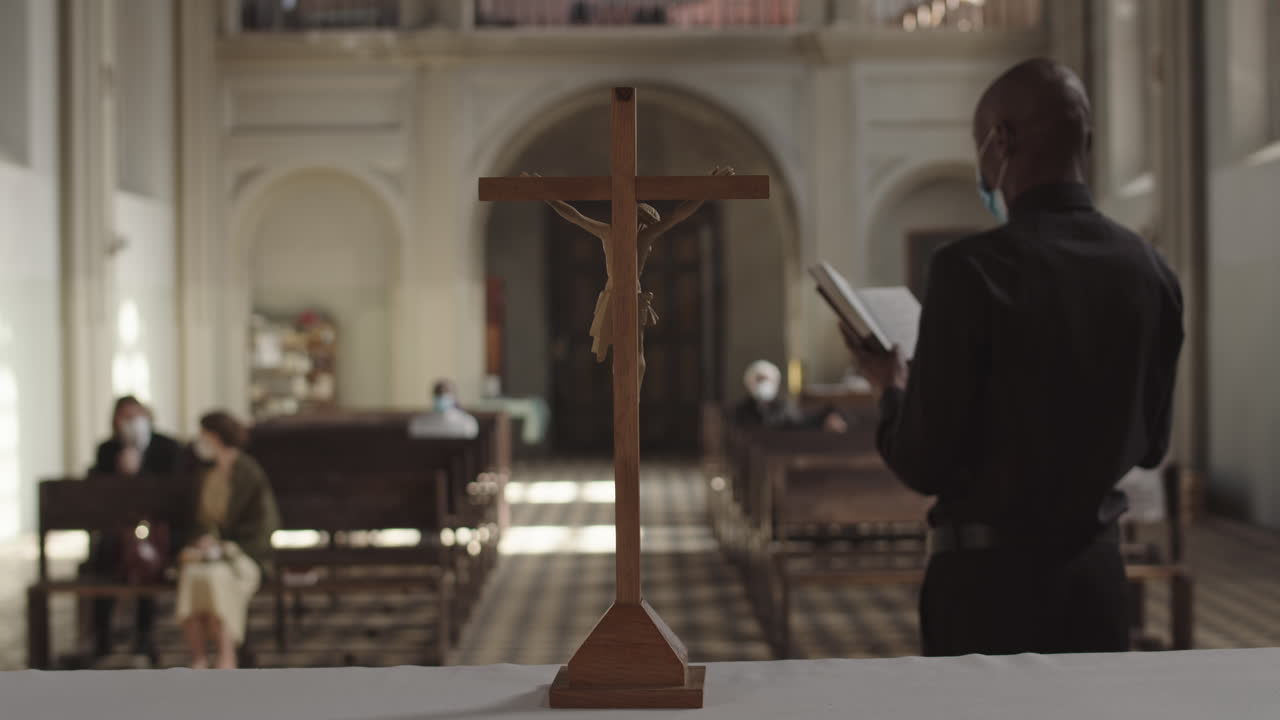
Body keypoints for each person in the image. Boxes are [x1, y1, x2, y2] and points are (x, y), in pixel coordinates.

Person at [845, 58, 1183, 656]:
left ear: (1000, 140)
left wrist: (890, 388)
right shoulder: (1152, 271)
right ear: (1087, 142)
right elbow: (1153, 446)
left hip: (988, 588)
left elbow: (924, 463)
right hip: (1097, 582)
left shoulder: (969, 271)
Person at [176, 411, 280, 669]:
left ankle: (226, 655)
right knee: (193, 575)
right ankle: (199, 658)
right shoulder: (205, 474)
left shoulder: (249, 473)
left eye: (204, 435)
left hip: (245, 556)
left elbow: (265, 524)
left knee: (218, 578)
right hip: (209, 556)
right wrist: (203, 540)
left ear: (215, 437)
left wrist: (228, 547)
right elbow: (199, 520)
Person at [85, 396, 182, 661]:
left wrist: (140, 471)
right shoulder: (108, 450)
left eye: (136, 416)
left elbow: (172, 492)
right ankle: (102, 638)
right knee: (104, 557)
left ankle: (145, 635)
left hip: (157, 528)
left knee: (147, 560)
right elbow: (100, 495)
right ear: (116, 421)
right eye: (125, 418)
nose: (132, 422)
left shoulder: (167, 447)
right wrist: (122, 471)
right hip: (119, 528)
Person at [733, 360, 847, 432]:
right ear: (749, 382)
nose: (763, 384)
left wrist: (825, 419)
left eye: (766, 379)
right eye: (759, 379)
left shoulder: (784, 407)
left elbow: (799, 425)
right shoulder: (739, 410)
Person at [409, 379, 479, 439]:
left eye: (447, 392)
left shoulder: (467, 423)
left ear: (454, 396)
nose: (442, 396)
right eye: (438, 393)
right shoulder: (419, 423)